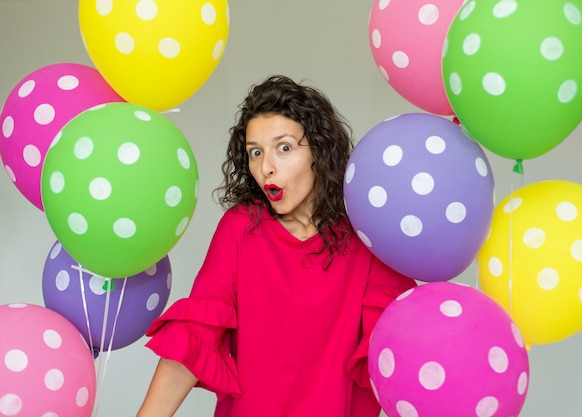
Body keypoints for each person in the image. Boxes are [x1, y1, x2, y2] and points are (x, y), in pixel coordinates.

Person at [136, 75, 416, 417]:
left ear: (320, 149)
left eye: (284, 148)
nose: (266, 167)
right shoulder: (241, 228)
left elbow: (405, 353)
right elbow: (196, 334)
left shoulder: (368, 238)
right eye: (256, 152)